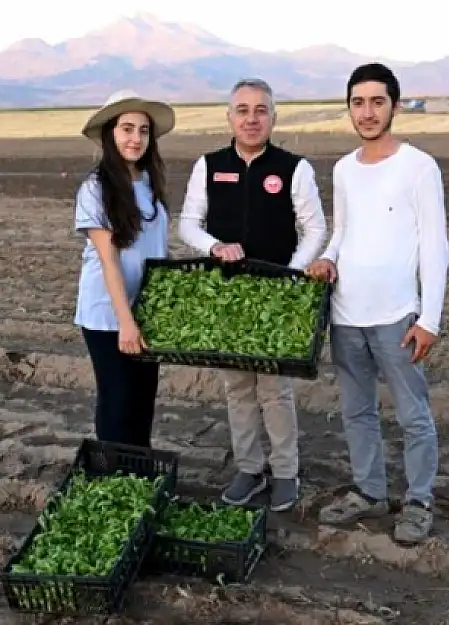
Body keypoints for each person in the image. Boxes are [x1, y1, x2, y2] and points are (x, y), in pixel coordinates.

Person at [305, 63, 449, 544]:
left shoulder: (419, 166)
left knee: (413, 415)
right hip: (346, 317)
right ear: (348, 107)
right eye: (357, 102)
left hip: (396, 318)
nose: (366, 112)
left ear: (395, 105)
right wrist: (326, 258)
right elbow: (343, 229)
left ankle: (419, 500)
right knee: (358, 412)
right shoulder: (344, 169)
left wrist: (428, 319)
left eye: (376, 102)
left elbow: (435, 246)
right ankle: (370, 493)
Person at [178, 78, 328, 512]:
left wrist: (290, 275)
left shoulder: (293, 168)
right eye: (242, 110)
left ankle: (285, 472)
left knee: (275, 390)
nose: (251, 118)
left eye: (260, 110)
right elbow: (189, 223)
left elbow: (315, 228)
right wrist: (213, 248)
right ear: (229, 118)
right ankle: (249, 467)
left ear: (273, 118)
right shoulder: (208, 166)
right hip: (227, 298)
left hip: (276, 298)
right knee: (237, 388)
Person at [73, 89, 176, 449]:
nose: (136, 138)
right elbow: (108, 259)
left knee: (142, 402)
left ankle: (139, 478)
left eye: (143, 131)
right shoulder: (96, 189)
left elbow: (156, 250)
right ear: (110, 134)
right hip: (108, 315)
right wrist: (126, 323)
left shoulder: (150, 184)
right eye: (127, 129)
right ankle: (112, 480)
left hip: (145, 310)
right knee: (118, 403)